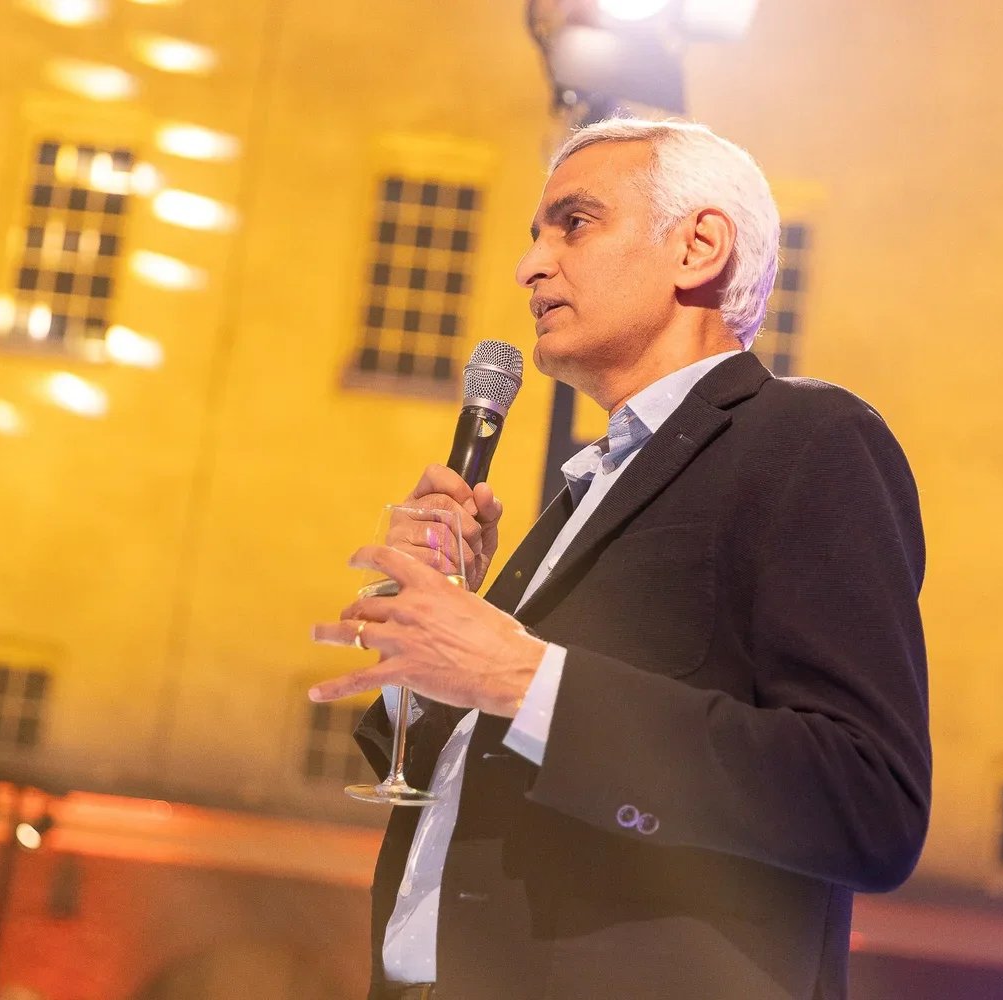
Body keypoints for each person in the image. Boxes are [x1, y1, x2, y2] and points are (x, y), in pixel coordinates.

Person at [311, 118, 929, 1000]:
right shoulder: (589, 486)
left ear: (698, 246)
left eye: (574, 223)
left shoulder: (808, 440)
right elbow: (480, 778)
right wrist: (428, 639)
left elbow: (869, 803)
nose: (530, 265)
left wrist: (520, 677)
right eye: (534, 236)